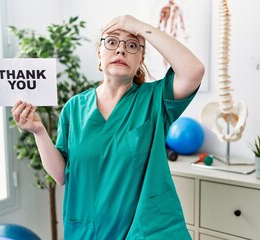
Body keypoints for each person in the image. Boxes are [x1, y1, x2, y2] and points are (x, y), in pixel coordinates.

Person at [12, 15, 204, 240]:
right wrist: (39, 132)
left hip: (142, 232)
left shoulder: (154, 100)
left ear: (141, 59)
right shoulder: (74, 108)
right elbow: (61, 175)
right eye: (112, 42)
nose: (121, 50)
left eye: (132, 45)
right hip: (88, 231)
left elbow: (194, 71)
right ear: (99, 55)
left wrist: (140, 27)